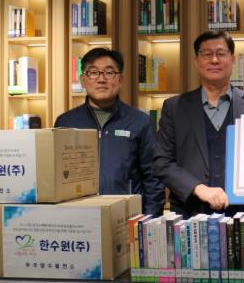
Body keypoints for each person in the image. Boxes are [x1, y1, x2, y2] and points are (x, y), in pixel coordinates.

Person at [153, 31, 244, 218]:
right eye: (206, 54)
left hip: (241, 214)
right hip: (189, 213)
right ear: (196, 61)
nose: (214, 60)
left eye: (221, 53)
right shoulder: (174, 107)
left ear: (232, 59)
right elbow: (161, 162)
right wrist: (197, 188)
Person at [54, 47, 164, 217]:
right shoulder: (66, 122)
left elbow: (154, 179)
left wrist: (148, 222)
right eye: (93, 72)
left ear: (120, 80)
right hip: (77, 217)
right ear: (83, 80)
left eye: (109, 72)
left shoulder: (140, 122)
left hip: (127, 216)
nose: (101, 79)